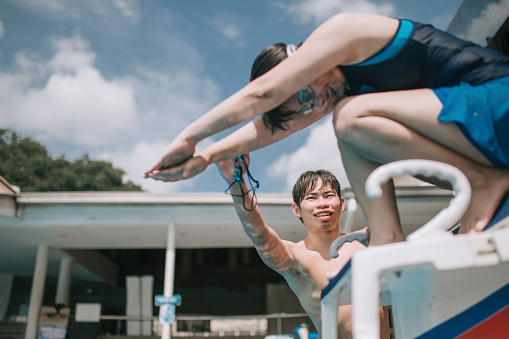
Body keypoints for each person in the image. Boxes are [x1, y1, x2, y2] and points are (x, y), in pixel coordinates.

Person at [145, 13, 509, 246]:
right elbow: (272, 130)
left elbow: (263, 93)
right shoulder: (333, 92)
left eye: (305, 92)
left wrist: (189, 137)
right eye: (303, 106)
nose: (314, 104)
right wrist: (206, 156)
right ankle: (387, 239)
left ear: (301, 63)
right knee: (349, 133)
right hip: (482, 135)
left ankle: (483, 181)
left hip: (498, 100)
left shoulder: (343, 32)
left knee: (349, 119)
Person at [215, 155, 390, 338]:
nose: (322, 203)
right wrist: (236, 181)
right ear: (297, 209)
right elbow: (259, 234)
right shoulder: (297, 257)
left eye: (329, 195)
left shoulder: (367, 240)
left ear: (342, 203)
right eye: (312, 198)